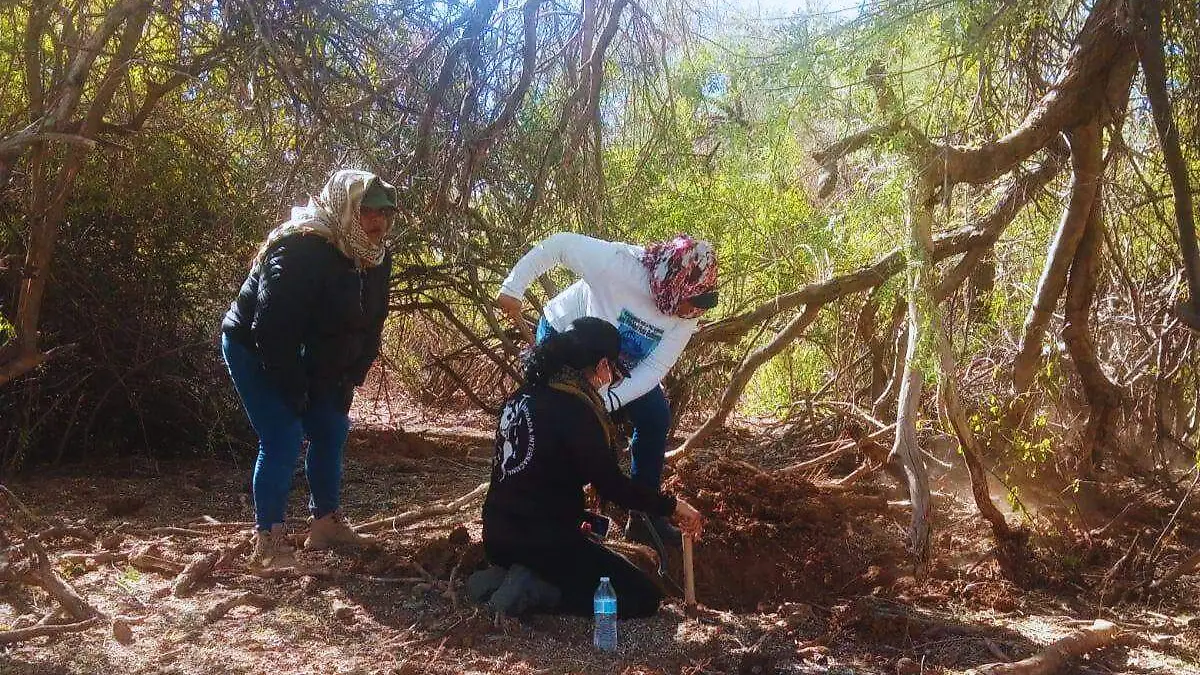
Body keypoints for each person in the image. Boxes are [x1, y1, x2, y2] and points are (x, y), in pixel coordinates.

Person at [221, 169, 399, 568]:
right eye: (368, 211)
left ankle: (325, 525)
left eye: (386, 213)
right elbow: (270, 330)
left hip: (312, 353)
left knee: (331, 427)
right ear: (346, 206)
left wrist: (349, 378)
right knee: (283, 433)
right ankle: (268, 544)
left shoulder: (374, 257)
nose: (379, 222)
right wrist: (294, 389)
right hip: (255, 345)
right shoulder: (300, 249)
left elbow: (369, 325)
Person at [495, 233, 717, 545]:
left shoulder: (689, 311)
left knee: (654, 416)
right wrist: (513, 287)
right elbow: (559, 245)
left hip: (615, 364)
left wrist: (606, 400)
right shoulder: (618, 265)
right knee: (557, 423)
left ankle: (643, 518)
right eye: (690, 303)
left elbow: (654, 368)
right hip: (567, 339)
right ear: (675, 281)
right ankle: (551, 508)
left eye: (698, 307)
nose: (692, 313)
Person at [477, 317, 704, 618]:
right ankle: (534, 591)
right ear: (600, 365)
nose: (611, 376)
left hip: (497, 537)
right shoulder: (575, 409)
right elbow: (613, 486)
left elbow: (532, 477)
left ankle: (510, 575)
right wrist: (672, 506)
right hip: (540, 542)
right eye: (611, 367)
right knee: (642, 597)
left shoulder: (520, 397)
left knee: (587, 563)